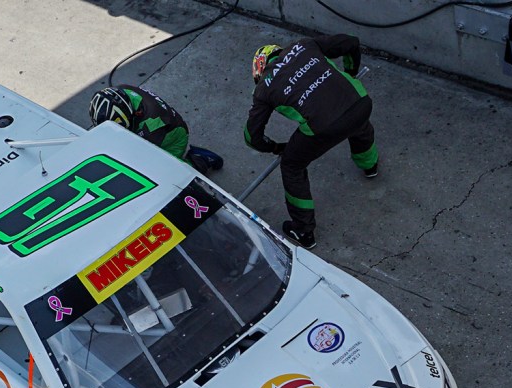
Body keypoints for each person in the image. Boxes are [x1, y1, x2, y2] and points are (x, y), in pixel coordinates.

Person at [245, 38, 379, 248]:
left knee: (291, 165)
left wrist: (276, 148)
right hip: (360, 101)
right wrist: (351, 73)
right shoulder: (305, 45)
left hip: (324, 127)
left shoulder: (264, 88)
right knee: (356, 121)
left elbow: (252, 137)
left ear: (259, 67)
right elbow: (351, 42)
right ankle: (370, 166)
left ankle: (303, 231)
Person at [89, 85, 224, 174]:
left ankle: (201, 160)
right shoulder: (121, 92)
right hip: (163, 125)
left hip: (173, 139)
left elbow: (145, 156)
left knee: (166, 174)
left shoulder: (151, 125)